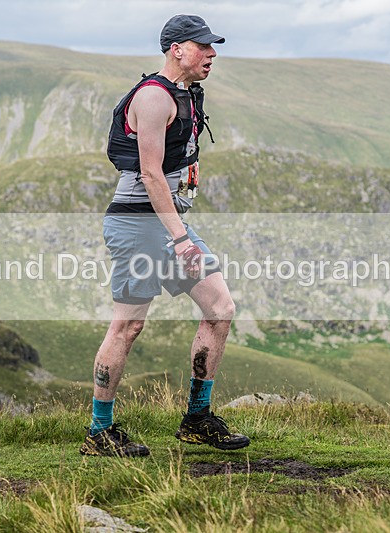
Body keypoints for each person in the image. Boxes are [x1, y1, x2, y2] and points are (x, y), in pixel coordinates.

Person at [79, 14, 250, 457]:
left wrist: (179, 224)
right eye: (204, 46)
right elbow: (151, 175)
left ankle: (196, 419)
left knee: (220, 308)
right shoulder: (154, 98)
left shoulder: (186, 94)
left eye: (213, 47)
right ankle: (99, 432)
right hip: (138, 225)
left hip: (167, 222)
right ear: (177, 49)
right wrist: (181, 239)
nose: (212, 54)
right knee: (128, 325)